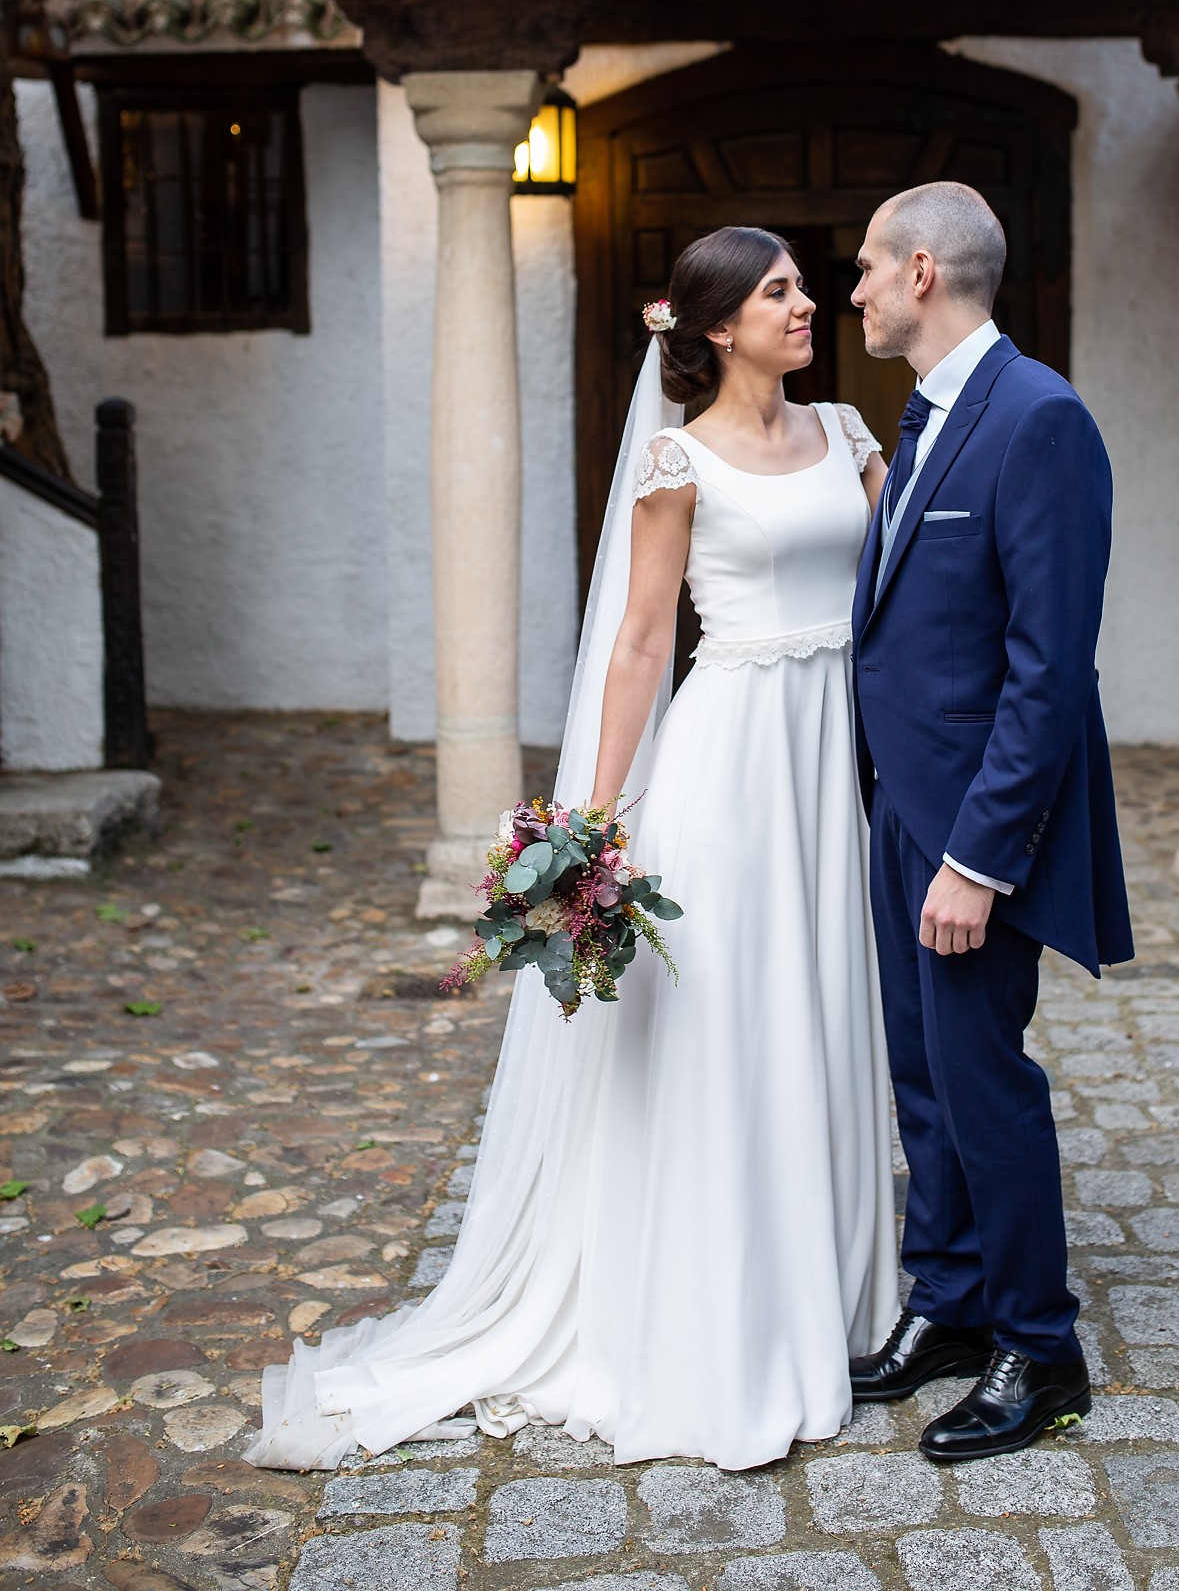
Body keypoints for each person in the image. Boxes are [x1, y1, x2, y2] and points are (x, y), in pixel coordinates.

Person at [245, 225, 901, 1472]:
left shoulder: (852, 438)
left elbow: (902, 597)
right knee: (737, 1023)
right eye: (778, 293)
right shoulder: (677, 460)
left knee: (822, 1005)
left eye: (803, 286)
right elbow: (643, 643)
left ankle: (836, 1290)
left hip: (833, 763)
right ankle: (720, 1316)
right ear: (716, 328)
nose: (808, 303)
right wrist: (592, 826)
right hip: (731, 762)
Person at [848, 180, 1133, 1463]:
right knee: (922, 1077)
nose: (847, 289)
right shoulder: (921, 419)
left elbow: (1047, 666)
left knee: (985, 1080)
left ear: (920, 270)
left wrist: (977, 856)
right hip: (898, 806)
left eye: (860, 267)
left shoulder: (1039, 418)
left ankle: (1040, 1345)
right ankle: (950, 1305)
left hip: (971, 830)